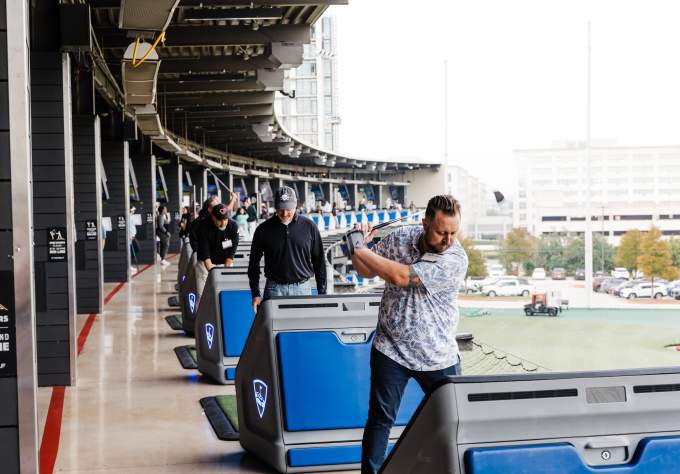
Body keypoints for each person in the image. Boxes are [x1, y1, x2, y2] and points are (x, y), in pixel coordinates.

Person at [348, 195, 468, 474]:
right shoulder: (401, 236)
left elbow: (403, 277)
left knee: (455, 422)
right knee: (380, 420)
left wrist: (357, 247)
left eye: (453, 232)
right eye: (441, 232)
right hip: (391, 349)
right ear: (425, 224)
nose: (448, 239)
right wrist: (359, 247)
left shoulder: (455, 258)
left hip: (439, 356)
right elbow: (365, 271)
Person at [248, 185, 326, 313]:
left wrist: (322, 293)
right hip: (274, 289)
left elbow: (319, 261)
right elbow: (253, 263)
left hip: (303, 289)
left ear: (296, 205)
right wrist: (255, 293)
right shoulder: (263, 230)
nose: (284, 213)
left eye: (288, 209)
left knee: (303, 331)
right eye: (280, 209)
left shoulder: (309, 227)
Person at [195, 203, 240, 301]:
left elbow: (234, 244)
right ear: (213, 217)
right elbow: (205, 252)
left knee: (226, 293)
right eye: (220, 220)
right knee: (202, 295)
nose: (223, 223)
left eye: (225, 219)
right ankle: (201, 315)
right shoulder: (204, 225)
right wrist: (213, 272)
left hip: (224, 261)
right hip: (205, 262)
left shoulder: (233, 225)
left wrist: (230, 258)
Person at [129, 206, 139, 274]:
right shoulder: (129, 217)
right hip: (130, 237)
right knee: (131, 251)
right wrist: (131, 235)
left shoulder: (131, 216)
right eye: (133, 210)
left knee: (136, 249)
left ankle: (129, 264)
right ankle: (128, 265)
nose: (134, 211)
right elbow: (130, 227)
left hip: (132, 236)